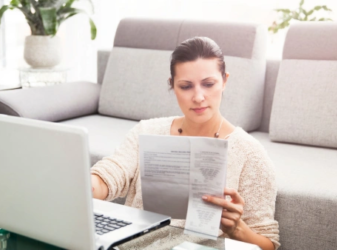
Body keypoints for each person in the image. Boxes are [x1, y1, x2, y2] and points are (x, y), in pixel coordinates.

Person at [90, 37, 280, 250]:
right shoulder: (147, 131)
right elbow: (113, 173)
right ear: (172, 85)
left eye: (208, 84)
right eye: (186, 86)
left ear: (224, 81)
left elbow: (268, 244)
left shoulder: (250, 153)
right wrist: (88, 185)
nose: (198, 97)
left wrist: (237, 229)